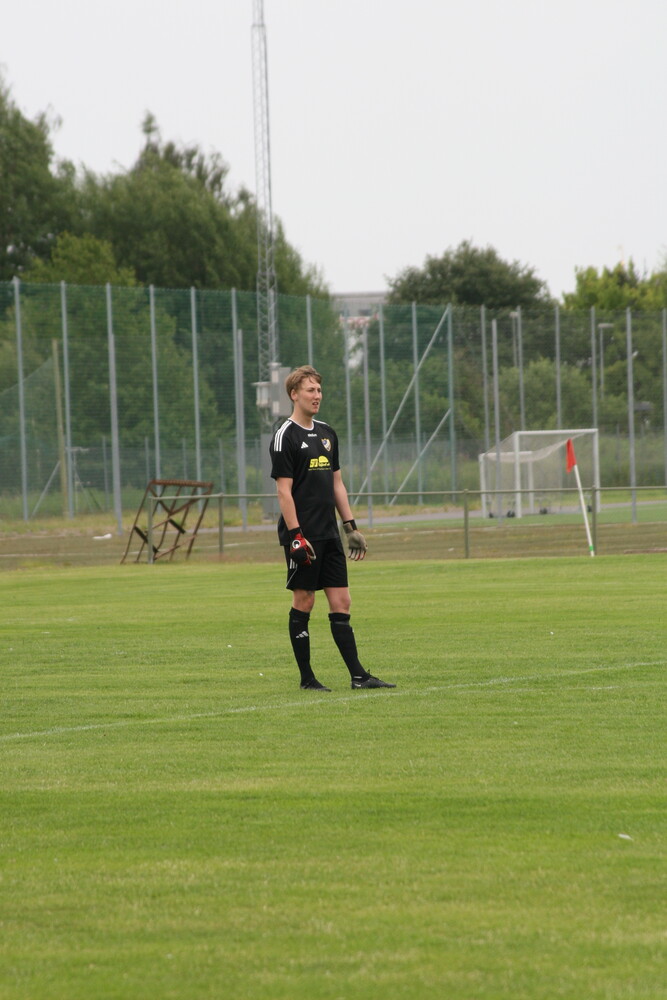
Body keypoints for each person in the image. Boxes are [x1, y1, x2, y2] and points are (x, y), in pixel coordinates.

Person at [269, 365, 396, 692]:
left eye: (319, 390)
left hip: (329, 533)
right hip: (304, 536)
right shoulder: (285, 435)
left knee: (342, 602)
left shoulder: (327, 434)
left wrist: (350, 526)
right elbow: (283, 491)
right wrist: (296, 537)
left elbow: (337, 483)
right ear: (294, 394)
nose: (317, 396)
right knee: (304, 601)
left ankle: (359, 677)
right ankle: (307, 679)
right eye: (310, 390)